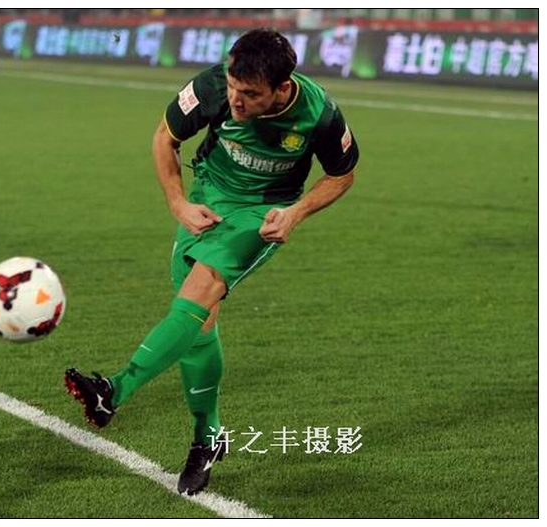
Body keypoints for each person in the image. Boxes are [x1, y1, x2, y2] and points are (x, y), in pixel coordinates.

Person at [65, 28, 359, 496]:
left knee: (200, 290)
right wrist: (178, 203)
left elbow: (342, 174)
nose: (236, 100)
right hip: (206, 198)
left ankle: (113, 390)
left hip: (261, 213)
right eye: (233, 88)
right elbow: (165, 137)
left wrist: (297, 213)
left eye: (250, 94)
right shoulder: (211, 86)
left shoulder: (319, 114)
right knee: (197, 321)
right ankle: (209, 438)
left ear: (282, 88)